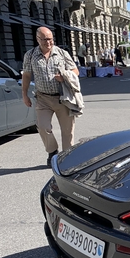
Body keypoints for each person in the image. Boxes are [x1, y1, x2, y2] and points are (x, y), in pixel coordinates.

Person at [21, 27, 80, 167]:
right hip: (43, 98)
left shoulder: (61, 53)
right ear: (37, 39)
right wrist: (24, 94)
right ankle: (52, 152)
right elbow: (27, 75)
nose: (49, 42)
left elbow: (75, 71)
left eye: (50, 39)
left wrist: (65, 77)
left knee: (67, 131)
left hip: (63, 98)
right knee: (42, 127)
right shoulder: (30, 55)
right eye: (45, 39)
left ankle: (66, 157)